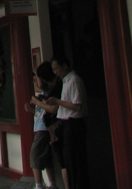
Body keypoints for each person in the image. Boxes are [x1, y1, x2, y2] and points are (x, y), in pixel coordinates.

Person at [47, 55, 88, 189]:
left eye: (56, 68)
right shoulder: (65, 81)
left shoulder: (74, 80)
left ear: (65, 66)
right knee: (69, 161)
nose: (55, 72)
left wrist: (58, 102)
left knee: (76, 161)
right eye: (53, 70)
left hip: (74, 123)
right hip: (66, 125)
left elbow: (77, 105)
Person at [24, 62, 60, 189]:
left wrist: (37, 74)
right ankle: (52, 184)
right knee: (47, 156)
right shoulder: (45, 93)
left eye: (36, 77)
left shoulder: (49, 91)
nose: (35, 80)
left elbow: (40, 85)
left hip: (43, 128)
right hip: (42, 127)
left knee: (34, 156)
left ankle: (39, 185)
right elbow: (41, 112)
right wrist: (31, 110)